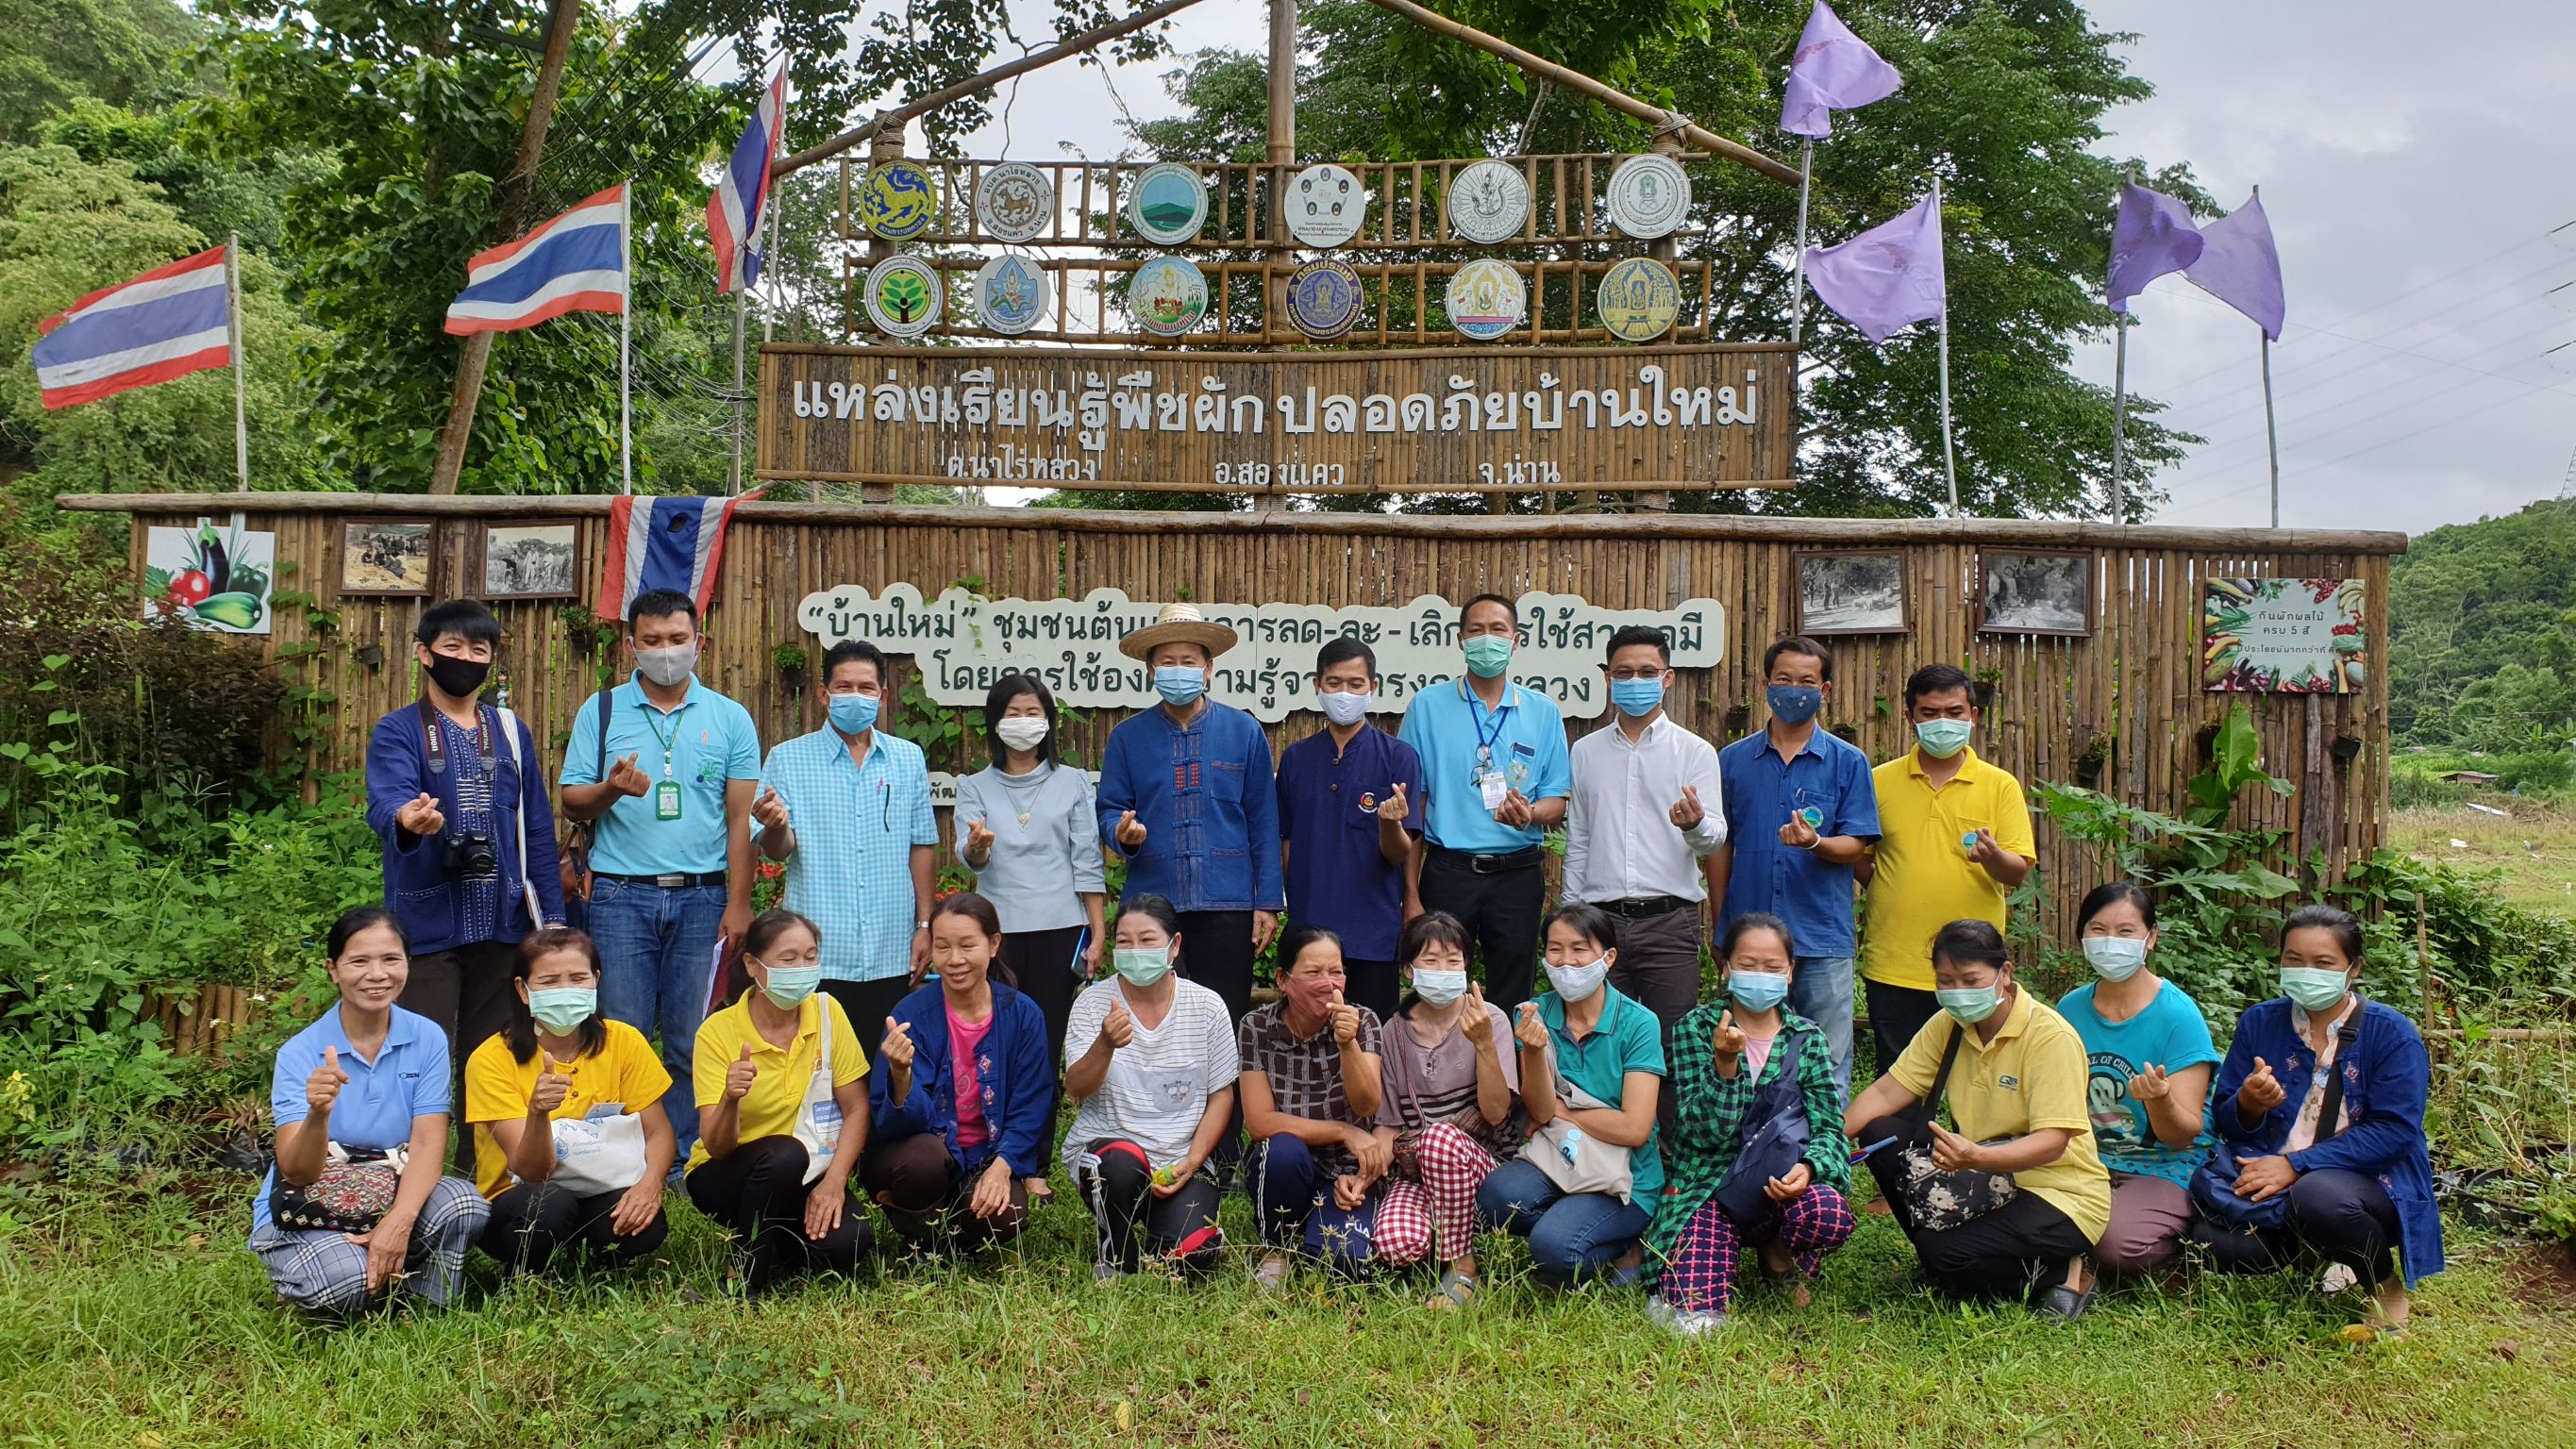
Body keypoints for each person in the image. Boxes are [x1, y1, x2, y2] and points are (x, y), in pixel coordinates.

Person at [560, 588, 761, 1166]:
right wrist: (610, 789)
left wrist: (739, 903)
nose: (665, 652)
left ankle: (679, 1158)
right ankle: (622, 1157)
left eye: (677, 640)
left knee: (690, 1038)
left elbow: (740, 817)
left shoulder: (730, 718)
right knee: (620, 1033)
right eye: (651, 641)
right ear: (631, 645)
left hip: (703, 898)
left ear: (700, 642)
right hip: (621, 897)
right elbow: (574, 801)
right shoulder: (600, 712)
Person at [365, 599, 565, 1139]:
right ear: (424, 655)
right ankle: (407, 1168)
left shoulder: (508, 730)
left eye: (479, 650)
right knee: (421, 1054)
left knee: (491, 1061)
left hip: (502, 921)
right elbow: (386, 801)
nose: (466, 658)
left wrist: (551, 924)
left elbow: (537, 830)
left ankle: (483, 1178)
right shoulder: (399, 730)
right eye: (453, 647)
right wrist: (408, 820)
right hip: (429, 925)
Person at [2194, 905, 2442, 1334]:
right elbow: (2226, 1121)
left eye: (2323, 963)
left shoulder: (2391, 1033)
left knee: (2319, 1198)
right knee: (2212, 1241)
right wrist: (2250, 1103)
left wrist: (2295, 1165)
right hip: (2272, 1172)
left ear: (2353, 968)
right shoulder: (2260, 1021)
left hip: (2361, 1185)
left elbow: (2395, 1132)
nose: (2306, 971)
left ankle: (2384, 1285)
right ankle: (2313, 1252)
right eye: (2294, 959)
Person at [1845, 920, 2109, 1319]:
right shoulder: (1948, 1025)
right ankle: (1950, 1252)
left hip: (2059, 1193)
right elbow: (1886, 1093)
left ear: (2005, 973)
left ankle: (2064, 1269)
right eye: (1946, 981)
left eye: (1971, 979)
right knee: (1880, 1132)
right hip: (1984, 1173)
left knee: (1943, 1255)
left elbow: (2054, 1141)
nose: (1958, 992)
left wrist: (1975, 1158)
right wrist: (1823, 1141)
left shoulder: (2051, 1036)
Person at [248, 908, 489, 1317]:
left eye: (390, 959)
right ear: (333, 970)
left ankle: (422, 1301)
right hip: (310, 1204)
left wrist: (399, 1220)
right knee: (347, 1282)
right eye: (359, 961)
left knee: (464, 1204)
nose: (377, 974)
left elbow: (429, 1140)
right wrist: (318, 1114)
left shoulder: (426, 1037)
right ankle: (326, 1277)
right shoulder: (300, 1054)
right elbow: (297, 1172)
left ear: (407, 965)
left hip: (390, 1186)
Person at [1647, 914, 1854, 1335]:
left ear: (1791, 972)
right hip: (1711, 1183)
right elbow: (1700, 1134)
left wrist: (1809, 1169)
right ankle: (1711, 1251)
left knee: (1827, 1213)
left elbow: (1831, 1128)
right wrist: (1725, 1065)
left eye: (1773, 967)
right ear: (1725, 967)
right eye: (1748, 963)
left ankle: (1779, 1252)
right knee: (1695, 1319)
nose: (1760, 975)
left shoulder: (1807, 1037)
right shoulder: (1697, 1028)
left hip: (1781, 1180)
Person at [1563, 624, 1724, 1127]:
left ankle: (1674, 1165)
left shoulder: (1694, 752)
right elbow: (1579, 840)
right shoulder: (1585, 751)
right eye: (1625, 672)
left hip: (1669, 922)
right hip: (1600, 924)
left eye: (1648, 672)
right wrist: (1571, 920)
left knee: (1672, 1046)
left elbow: (1714, 837)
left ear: (1668, 677)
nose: (1636, 681)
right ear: (1607, 678)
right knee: (1600, 1043)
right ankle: (1611, 1153)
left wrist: (1694, 824)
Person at [1096, 602, 1283, 1033]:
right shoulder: (1127, 737)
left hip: (1228, 907)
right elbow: (1109, 809)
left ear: (1208, 667)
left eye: (1188, 661)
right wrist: (1123, 834)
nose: (1178, 670)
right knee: (1154, 1025)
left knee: (1224, 1021)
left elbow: (1263, 820)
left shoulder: (1245, 731)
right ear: (1150, 669)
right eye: (1167, 661)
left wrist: (1268, 902)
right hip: (1152, 910)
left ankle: (1225, 1102)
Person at [1711, 636, 1880, 1095]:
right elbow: (1721, 847)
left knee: (1826, 1059)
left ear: (1825, 690)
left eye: (1807, 681)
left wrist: (1816, 842)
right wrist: (1721, 924)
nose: (1794, 689)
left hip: (1821, 937)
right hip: (1749, 941)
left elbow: (1857, 845)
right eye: (1783, 679)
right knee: (1747, 1056)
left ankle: (1820, 1161)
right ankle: (1752, 1156)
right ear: (1765, 684)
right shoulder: (1732, 761)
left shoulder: (1848, 763)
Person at [754, 640, 938, 1038]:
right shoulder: (788, 758)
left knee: (888, 1069)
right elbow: (777, 848)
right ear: (824, 694)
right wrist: (775, 825)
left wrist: (924, 925)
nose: (855, 696)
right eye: (844, 687)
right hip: (818, 954)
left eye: (866, 687)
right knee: (820, 1073)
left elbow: (921, 844)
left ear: (882, 695)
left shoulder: (907, 758)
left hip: (892, 949)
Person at [684, 910, 873, 1297]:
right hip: (728, 1175)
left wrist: (834, 1184)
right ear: (753, 965)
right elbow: (717, 1145)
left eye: (810, 956)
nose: (802, 968)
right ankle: (744, 1278)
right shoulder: (717, 1033)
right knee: (785, 1154)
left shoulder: (827, 1012)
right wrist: (730, 1098)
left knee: (850, 1244)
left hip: (811, 1171)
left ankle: (774, 1239)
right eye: (788, 959)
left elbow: (856, 1109)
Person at [465, 927, 674, 1275]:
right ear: (523, 990)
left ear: (596, 980)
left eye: (578, 978)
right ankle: (523, 1274)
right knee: (549, 1204)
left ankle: (597, 1260)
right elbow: (531, 1171)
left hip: (599, 1187)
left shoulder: (624, 1042)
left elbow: (659, 1132)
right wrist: (537, 1114)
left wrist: (649, 1186)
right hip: (517, 1200)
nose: (565, 991)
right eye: (549, 982)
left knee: (647, 1228)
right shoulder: (491, 1059)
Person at [1399, 594, 1573, 1011]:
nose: (1486, 640)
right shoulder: (1427, 707)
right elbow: (1412, 811)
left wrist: (1529, 815)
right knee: (1437, 985)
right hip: (1448, 871)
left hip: (1516, 874)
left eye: (1497, 630)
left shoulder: (1543, 712)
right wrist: (1411, 894)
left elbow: (1557, 802)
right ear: (1460, 640)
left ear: (1516, 641)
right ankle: (1439, 1075)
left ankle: (1507, 1075)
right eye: (1476, 631)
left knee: (1513, 992)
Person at [1859, 664, 2034, 1077]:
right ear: (1910, 718)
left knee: (1977, 1076)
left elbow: (2017, 873)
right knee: (1898, 1076)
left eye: (1955, 712)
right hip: (1894, 961)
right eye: (1929, 712)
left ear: (1973, 716)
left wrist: (1991, 857)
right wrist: (1889, 882)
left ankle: (1969, 1146)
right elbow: (1857, 853)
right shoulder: (1878, 782)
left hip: (1974, 968)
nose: (1943, 722)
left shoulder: (1999, 785)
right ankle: (1905, 1145)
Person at [1475, 903, 1664, 1286]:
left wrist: (1569, 1113)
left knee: (1554, 1251)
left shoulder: (1639, 1023)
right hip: (1562, 1159)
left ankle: (1625, 1242)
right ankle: (1576, 1219)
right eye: (1555, 949)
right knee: (1496, 1199)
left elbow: (1635, 1129)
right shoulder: (1533, 1013)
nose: (1566, 962)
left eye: (1579, 949)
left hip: (1626, 1177)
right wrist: (1532, 1049)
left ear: (1608, 957)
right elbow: (1542, 1112)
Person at [864, 892, 1056, 1256]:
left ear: (994, 944)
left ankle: (954, 1231)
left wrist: (1002, 1168)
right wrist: (901, 1074)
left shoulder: (1023, 1015)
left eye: (968, 945)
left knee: (1007, 1216)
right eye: (943, 947)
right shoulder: (911, 1013)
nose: (955, 960)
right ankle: (921, 1239)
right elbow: (890, 1123)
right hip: (922, 1152)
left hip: (985, 1154)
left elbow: (1032, 1106)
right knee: (923, 1162)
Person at [1061, 893, 1237, 1279]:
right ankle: (1117, 1253)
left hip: (1180, 1159)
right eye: (1124, 941)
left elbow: (1221, 1094)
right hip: (1111, 1151)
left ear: (1174, 946)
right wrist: (1104, 1044)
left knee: (1194, 1257)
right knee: (1122, 1166)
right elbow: (1077, 1088)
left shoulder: (1207, 1006)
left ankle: (1170, 1234)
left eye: (1147, 940)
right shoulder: (1093, 1004)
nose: (1135, 951)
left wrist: (1192, 1162)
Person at [2053, 882, 2220, 1274]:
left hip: (2163, 1161)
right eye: (2098, 930)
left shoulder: (2178, 1016)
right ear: (2082, 936)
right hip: (2088, 1159)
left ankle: (2183, 1233)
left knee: (2116, 1248)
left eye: (2126, 931)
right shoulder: (2070, 1008)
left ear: (2151, 938)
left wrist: (2160, 1100)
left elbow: (2183, 1135)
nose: (2111, 943)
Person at [954, 674, 1107, 1072]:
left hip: (1061, 932)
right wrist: (978, 846)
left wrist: (1098, 932)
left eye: (1033, 712)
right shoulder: (973, 786)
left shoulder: (1072, 782)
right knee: (999, 1039)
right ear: (995, 722)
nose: (1023, 721)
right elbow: (970, 856)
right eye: (1013, 712)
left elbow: (1087, 860)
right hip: (997, 933)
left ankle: (1040, 1131)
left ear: (1048, 721)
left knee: (1048, 1039)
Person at [1371, 910, 1519, 1307]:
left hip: (1481, 1165)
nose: (1443, 970)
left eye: (1453, 961)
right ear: (1408, 971)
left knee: (1439, 1139)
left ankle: (1462, 1266)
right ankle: (1457, 1225)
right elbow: (1388, 1123)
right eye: (1430, 961)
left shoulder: (1492, 1021)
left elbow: (1496, 1114)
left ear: (1467, 968)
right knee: (1395, 1246)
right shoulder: (1393, 1032)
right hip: (1417, 1169)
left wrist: (1484, 1042)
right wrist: (1367, 1170)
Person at [1276, 637, 1425, 1023]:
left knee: (1370, 1038)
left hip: (1372, 931)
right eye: (1334, 682)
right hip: (1309, 928)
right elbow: (1286, 840)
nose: (1345, 693)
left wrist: (1390, 823)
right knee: (1310, 1035)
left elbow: (1398, 853)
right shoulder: (1296, 759)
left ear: (1373, 688)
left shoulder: (1398, 757)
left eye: (1356, 684)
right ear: (1317, 686)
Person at [1240, 926, 1388, 1286]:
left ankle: (1317, 1228)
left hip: (1348, 1172)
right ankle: (1276, 1246)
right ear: (1283, 979)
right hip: (1289, 1165)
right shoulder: (1256, 1026)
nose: (1327, 983)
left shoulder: (1363, 1020)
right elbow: (1259, 1123)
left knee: (1345, 1264)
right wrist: (1341, 1130)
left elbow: (1367, 1105)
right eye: (1313, 973)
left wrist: (1347, 1043)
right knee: (1281, 1151)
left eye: (1335, 971)